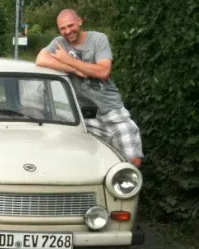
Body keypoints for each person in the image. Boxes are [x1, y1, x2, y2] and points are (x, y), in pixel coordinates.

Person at [36, 9, 143, 168]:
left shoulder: (98, 39)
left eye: (70, 25)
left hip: (111, 109)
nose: (67, 31)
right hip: (84, 115)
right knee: (91, 162)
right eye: (62, 28)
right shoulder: (60, 42)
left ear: (80, 21)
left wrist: (68, 60)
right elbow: (40, 59)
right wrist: (74, 70)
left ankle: (123, 189)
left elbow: (103, 71)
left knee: (133, 160)